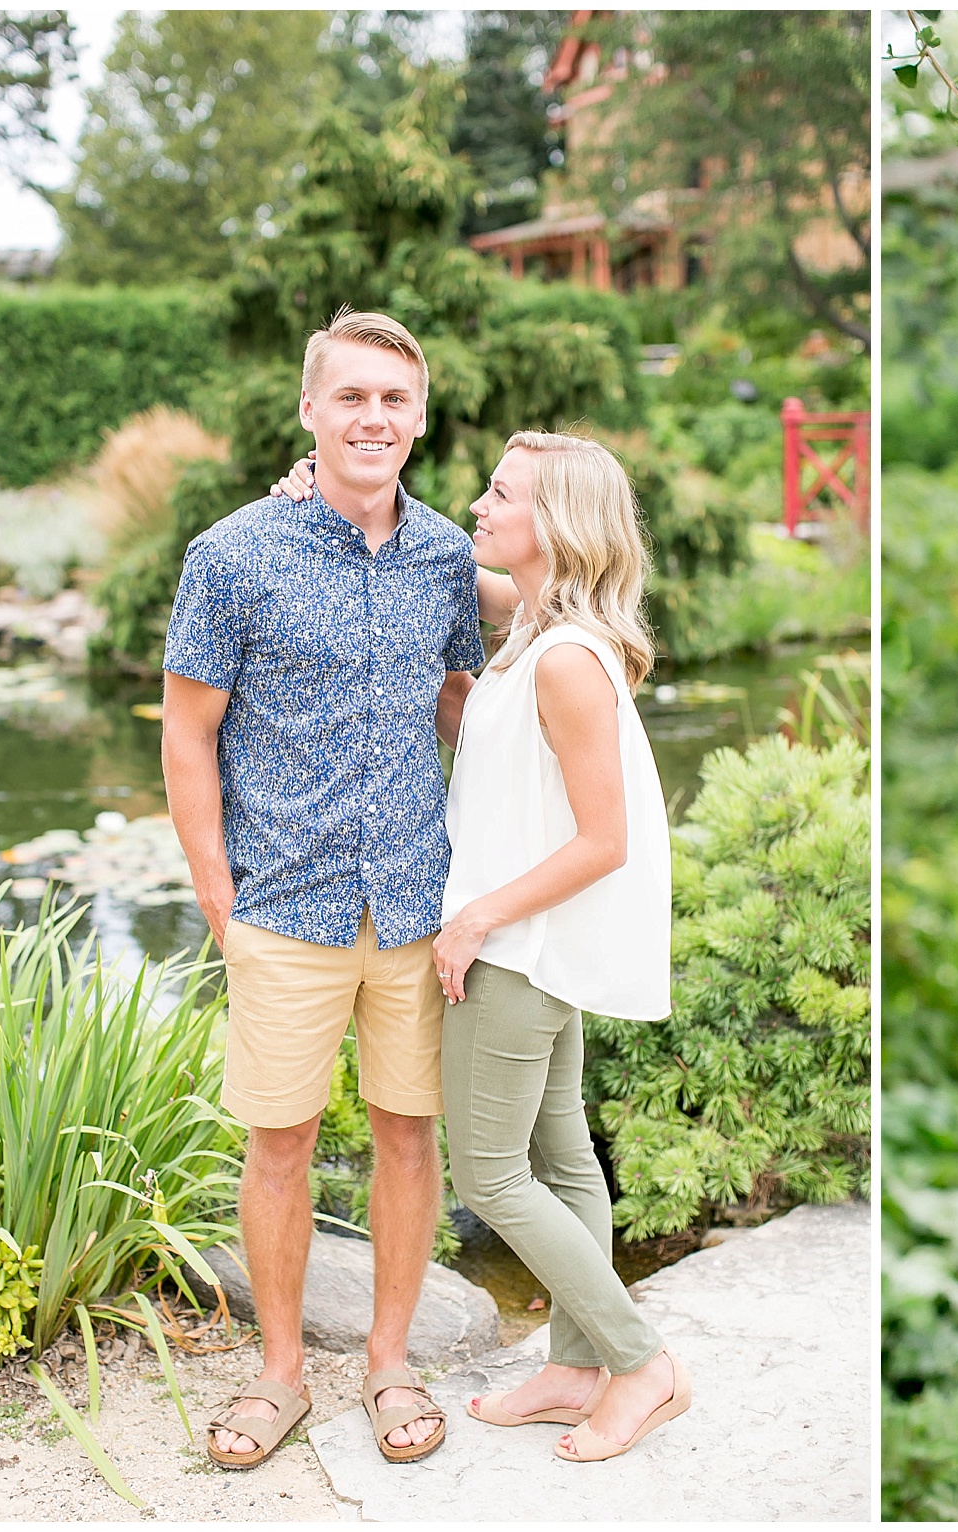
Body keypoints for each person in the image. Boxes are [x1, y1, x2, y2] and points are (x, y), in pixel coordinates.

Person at [270, 433, 690, 1461]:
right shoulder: (537, 625)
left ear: (553, 525)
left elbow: (605, 838)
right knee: (563, 1158)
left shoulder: (568, 661)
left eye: (501, 493)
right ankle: (574, 1363)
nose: (479, 502)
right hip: (535, 945)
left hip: (515, 947)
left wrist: (474, 917)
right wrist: (319, 491)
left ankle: (640, 1363)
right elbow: (436, 562)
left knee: (494, 1177)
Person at [162, 308, 478, 1468]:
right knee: (279, 1142)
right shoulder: (232, 554)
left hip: (413, 900)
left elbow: (462, 699)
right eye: (350, 396)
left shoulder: (448, 556)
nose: (372, 418)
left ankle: (390, 1361)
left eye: (394, 400)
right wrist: (216, 893)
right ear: (310, 410)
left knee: (406, 1133)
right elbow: (187, 732)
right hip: (283, 901)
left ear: (420, 418)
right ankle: (282, 1373)